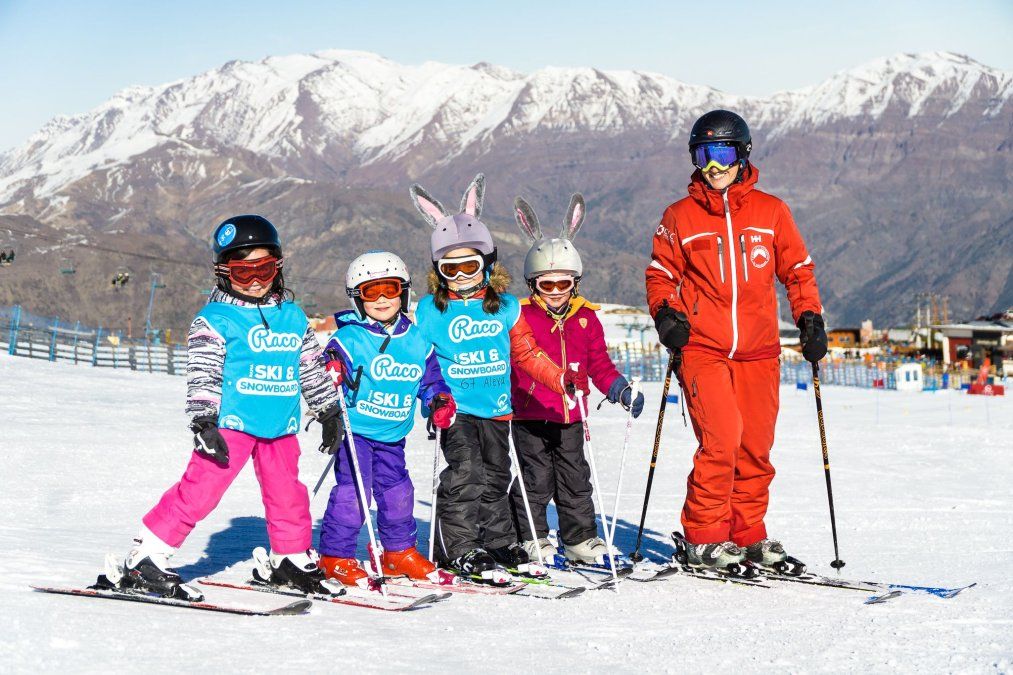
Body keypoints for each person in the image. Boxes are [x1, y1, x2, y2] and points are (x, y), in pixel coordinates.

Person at [121, 215, 343, 599]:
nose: (256, 279)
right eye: (243, 272)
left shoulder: (291, 317)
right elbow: (204, 374)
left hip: (280, 425)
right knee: (200, 490)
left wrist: (327, 410)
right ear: (225, 272)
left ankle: (289, 556)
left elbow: (309, 367)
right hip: (230, 425)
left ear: (279, 266)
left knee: (288, 494)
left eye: (265, 268)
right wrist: (204, 422)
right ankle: (147, 557)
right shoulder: (215, 319)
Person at [645, 110, 828, 570]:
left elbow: (798, 271)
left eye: (723, 152)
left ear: (742, 154)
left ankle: (747, 533)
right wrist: (667, 316)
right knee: (722, 440)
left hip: (760, 351)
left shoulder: (772, 211)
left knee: (755, 448)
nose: (715, 165)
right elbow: (661, 275)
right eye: (705, 154)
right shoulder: (679, 216)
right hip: (702, 348)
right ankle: (704, 536)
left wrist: (810, 318)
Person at [410, 174, 588, 579]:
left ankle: (496, 541)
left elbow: (526, 353)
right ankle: (458, 546)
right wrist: (433, 398)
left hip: (496, 408)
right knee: (465, 476)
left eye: (469, 266)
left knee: (496, 475)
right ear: (438, 272)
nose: (461, 278)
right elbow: (418, 360)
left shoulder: (505, 307)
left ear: (487, 264)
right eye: (449, 270)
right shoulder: (431, 310)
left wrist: (559, 379)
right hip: (455, 410)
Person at [509, 194, 645, 565]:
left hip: (572, 414)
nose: (555, 292)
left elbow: (598, 363)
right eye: (546, 285)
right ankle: (532, 537)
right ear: (532, 284)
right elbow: (517, 362)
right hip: (531, 412)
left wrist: (617, 388)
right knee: (534, 481)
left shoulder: (586, 318)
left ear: (576, 282)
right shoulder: (520, 318)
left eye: (563, 284)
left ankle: (580, 538)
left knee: (575, 480)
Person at [317, 251, 457, 587]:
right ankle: (335, 555)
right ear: (357, 298)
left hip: (393, 434)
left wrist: (438, 399)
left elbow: (430, 380)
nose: (381, 299)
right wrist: (332, 370)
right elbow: (329, 362)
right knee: (354, 493)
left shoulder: (418, 340)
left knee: (399, 493)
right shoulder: (350, 337)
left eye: (390, 289)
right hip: (356, 432)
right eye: (370, 291)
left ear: (403, 291)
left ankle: (398, 553)